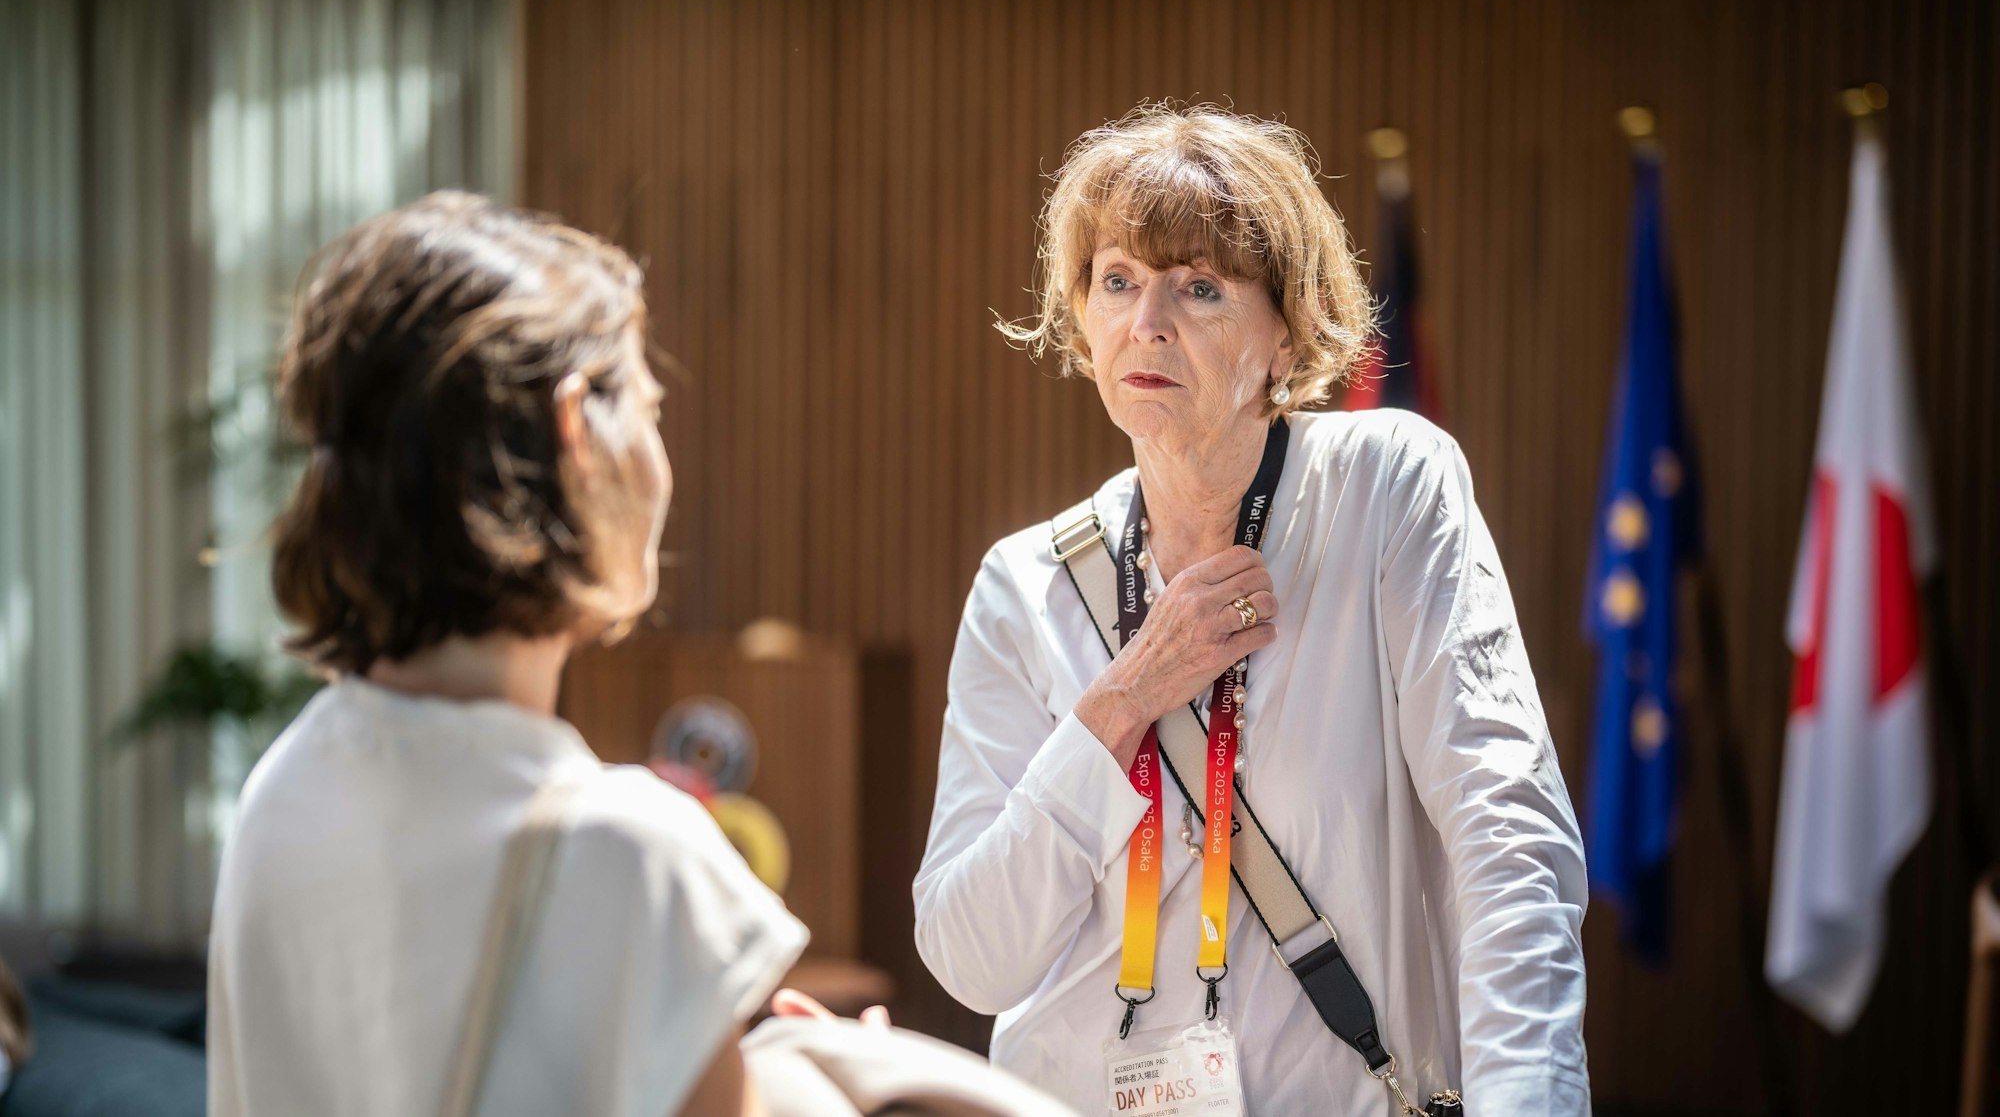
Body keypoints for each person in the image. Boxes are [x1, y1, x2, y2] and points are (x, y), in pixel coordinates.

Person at [914, 105, 1590, 1114]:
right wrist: (1124, 697)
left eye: (1198, 287)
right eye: (1115, 281)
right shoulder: (1022, 583)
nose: (1146, 323)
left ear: (1288, 333)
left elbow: (1506, 830)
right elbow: (970, 959)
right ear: (1082, 315)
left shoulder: (1384, 489)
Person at [207, 192, 807, 1116]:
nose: (660, 453)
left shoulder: (279, 793)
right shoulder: (634, 855)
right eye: (645, 404)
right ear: (581, 430)